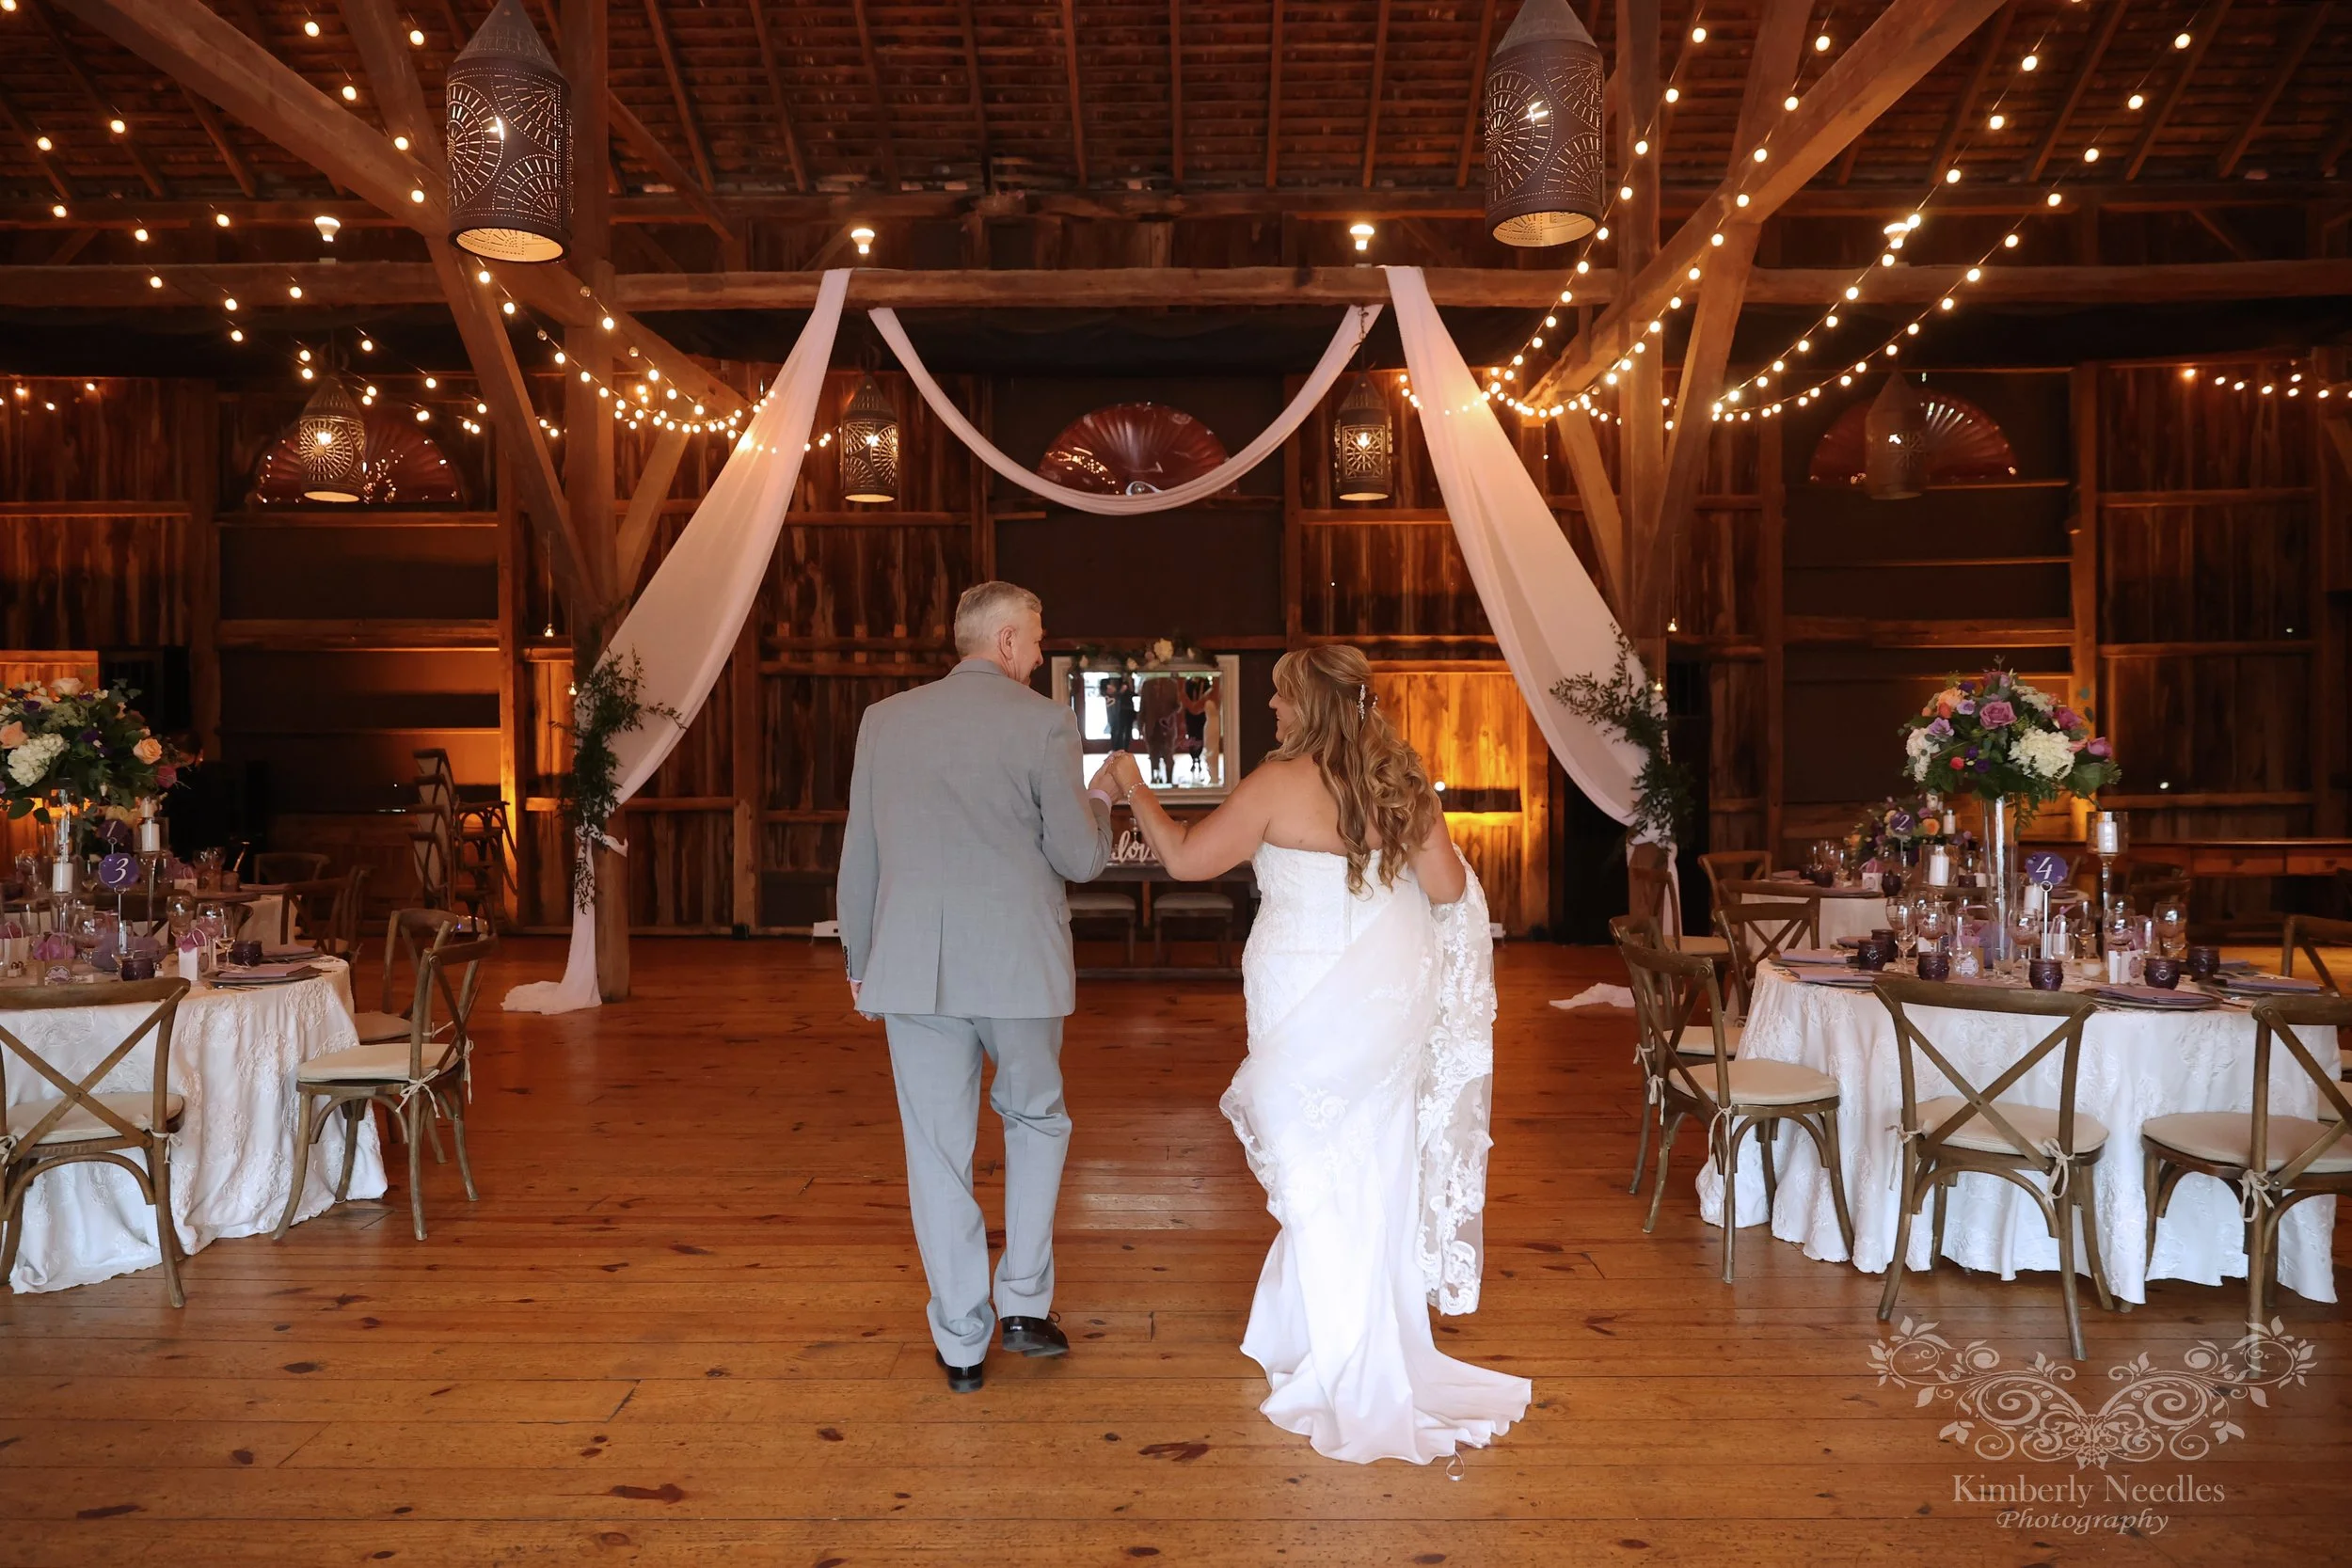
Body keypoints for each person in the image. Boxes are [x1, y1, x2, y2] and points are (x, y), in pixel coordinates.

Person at [1099, 645, 1526, 1464]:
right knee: (1371, 1167)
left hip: (1301, 1007)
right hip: (1386, 1007)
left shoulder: (1275, 783)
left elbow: (1187, 859)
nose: (1271, 711)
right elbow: (1446, 892)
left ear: (1313, 705)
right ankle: (1340, 1334)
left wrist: (1133, 787)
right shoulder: (1398, 783)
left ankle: (1350, 1367)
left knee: (1318, 1173)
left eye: (1281, 698)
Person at [837, 580, 1129, 1394]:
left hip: (912, 969)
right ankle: (1026, 1302)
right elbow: (1079, 857)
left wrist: (862, 960)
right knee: (1035, 1119)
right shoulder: (1044, 723)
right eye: (1036, 639)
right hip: (1018, 969)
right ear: (1005, 643)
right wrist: (1100, 797)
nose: (1040, 653)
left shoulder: (884, 721)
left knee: (935, 1150)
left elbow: (859, 852)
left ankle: (963, 1340)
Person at [1104, 668, 1137, 754]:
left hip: (1129, 709)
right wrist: (1121, 691)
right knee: (1119, 729)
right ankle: (1117, 748)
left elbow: (1133, 694)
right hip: (1120, 710)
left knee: (1128, 730)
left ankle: (1126, 749)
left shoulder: (1131, 682)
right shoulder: (1118, 682)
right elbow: (1115, 694)